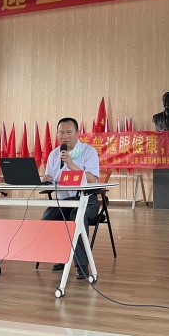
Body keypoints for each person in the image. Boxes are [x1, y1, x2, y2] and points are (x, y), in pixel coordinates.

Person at [41, 117, 99, 280]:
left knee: (76, 216)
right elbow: (50, 178)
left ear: (77, 133)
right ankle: (60, 257)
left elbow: (93, 179)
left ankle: (81, 266)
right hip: (64, 201)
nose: (65, 136)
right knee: (48, 217)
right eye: (61, 132)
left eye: (69, 132)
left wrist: (72, 165)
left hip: (87, 200)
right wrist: (46, 179)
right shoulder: (54, 154)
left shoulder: (88, 151)